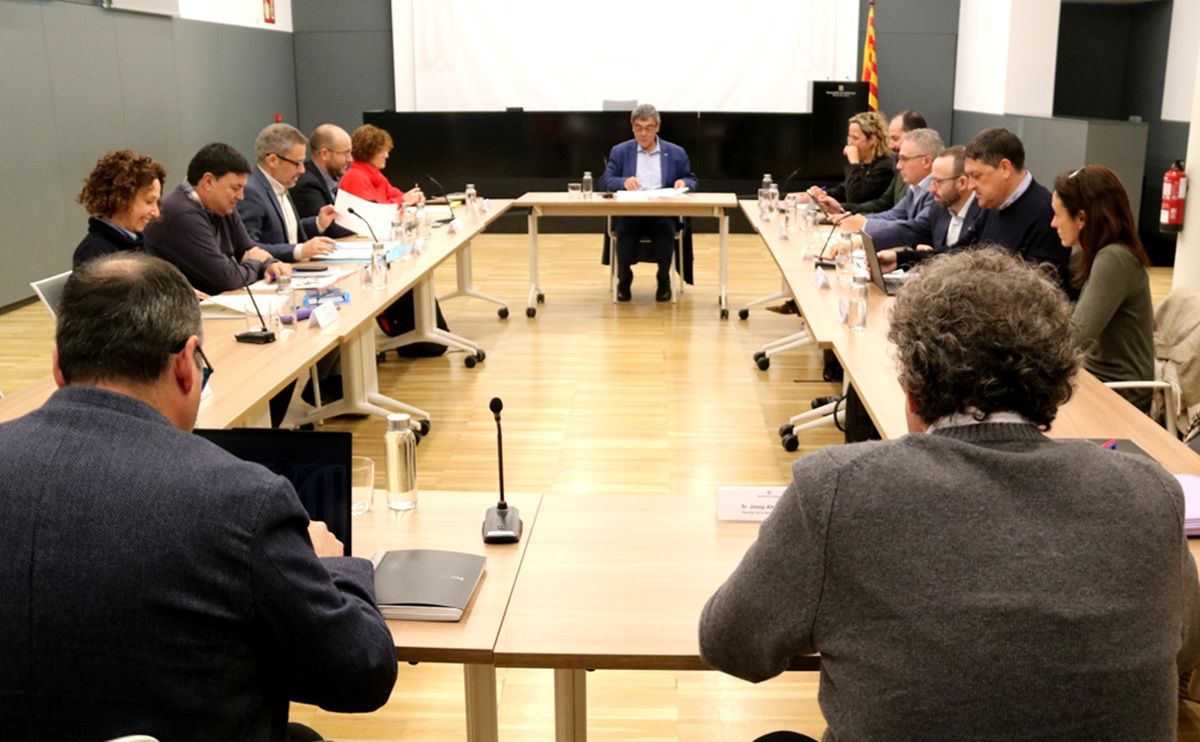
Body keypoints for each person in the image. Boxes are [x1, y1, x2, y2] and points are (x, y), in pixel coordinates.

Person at [699, 248, 1200, 741]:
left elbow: (730, 645)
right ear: (1058, 384)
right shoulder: (1149, 491)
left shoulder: (838, 491)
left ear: (911, 391)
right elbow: (1186, 643)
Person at [0, 253, 397, 740]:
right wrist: (334, 565)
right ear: (187, 365)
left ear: (59, 367)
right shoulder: (240, 500)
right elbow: (360, 674)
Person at [1051, 164, 1154, 412]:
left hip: (1119, 395)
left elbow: (1075, 339)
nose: (1053, 223)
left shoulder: (1114, 259)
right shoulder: (1105, 256)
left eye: (1057, 214)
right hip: (1098, 382)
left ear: (1082, 218)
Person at [145, 142, 290, 296]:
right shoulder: (181, 213)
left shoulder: (222, 207)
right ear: (208, 181)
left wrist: (269, 264)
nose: (241, 196)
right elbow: (227, 278)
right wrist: (255, 262)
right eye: (235, 188)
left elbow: (249, 249)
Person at [600, 103, 699, 302]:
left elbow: (692, 179)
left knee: (665, 229)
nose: (643, 133)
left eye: (649, 128)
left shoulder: (676, 152)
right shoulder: (620, 151)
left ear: (657, 127)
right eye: (638, 128)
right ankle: (624, 279)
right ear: (632, 127)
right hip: (631, 211)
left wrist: (683, 183)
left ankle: (663, 279)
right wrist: (623, 181)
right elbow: (604, 181)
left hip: (662, 211)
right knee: (625, 230)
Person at [960, 127, 1070, 290]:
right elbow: (961, 251)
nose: (970, 185)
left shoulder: (1046, 215)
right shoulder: (993, 203)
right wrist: (910, 256)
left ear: (1005, 168)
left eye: (976, 176)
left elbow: (1041, 291)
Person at [238, 123, 339, 261]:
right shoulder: (252, 192)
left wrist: (318, 223)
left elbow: (286, 231)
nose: (302, 170)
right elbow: (249, 249)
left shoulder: (280, 183)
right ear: (273, 160)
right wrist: (299, 250)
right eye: (297, 163)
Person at [874, 144, 982, 272]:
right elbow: (909, 231)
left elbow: (962, 258)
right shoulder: (939, 208)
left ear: (962, 183)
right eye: (932, 180)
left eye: (938, 182)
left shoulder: (983, 215)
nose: (931, 189)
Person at [832, 127, 942, 235]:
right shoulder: (915, 187)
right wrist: (853, 219)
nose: (898, 166)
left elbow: (914, 228)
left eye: (904, 159)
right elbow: (893, 215)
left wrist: (864, 224)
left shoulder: (937, 192)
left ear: (926, 162)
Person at [72, 149, 166, 265]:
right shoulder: (94, 255)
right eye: (149, 201)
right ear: (121, 199)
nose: (156, 213)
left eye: (157, 202)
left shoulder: (136, 241)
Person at [805, 111, 894, 208]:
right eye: (849, 137)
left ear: (872, 140)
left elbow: (855, 197)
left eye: (855, 138)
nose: (850, 143)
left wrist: (854, 164)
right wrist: (821, 194)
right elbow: (842, 191)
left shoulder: (884, 167)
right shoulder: (864, 164)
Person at [291, 123, 357, 238]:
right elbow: (330, 228)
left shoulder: (331, 179)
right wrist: (367, 222)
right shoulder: (307, 185)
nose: (350, 159)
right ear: (324, 154)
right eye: (345, 153)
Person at [339, 124, 424, 206]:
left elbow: (398, 196)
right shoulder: (355, 177)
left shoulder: (375, 175)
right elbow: (371, 212)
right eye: (382, 151)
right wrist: (403, 201)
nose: (387, 155)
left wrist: (414, 198)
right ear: (368, 152)